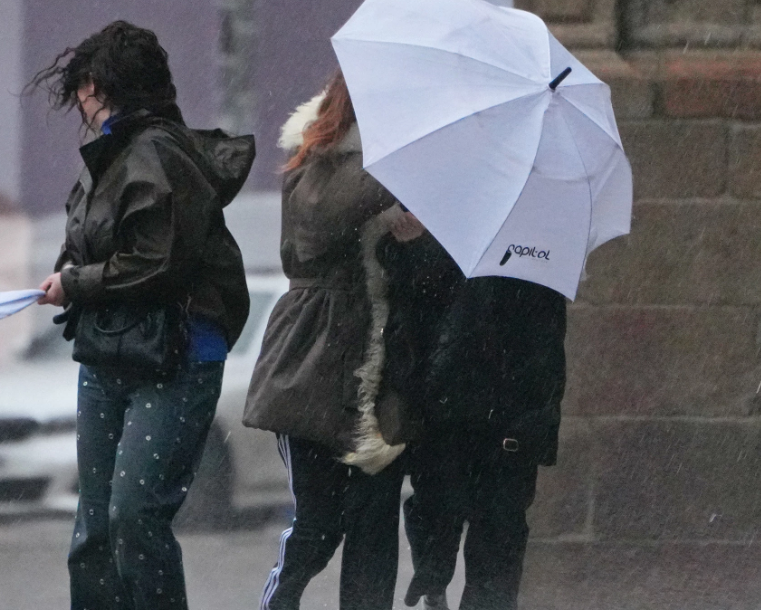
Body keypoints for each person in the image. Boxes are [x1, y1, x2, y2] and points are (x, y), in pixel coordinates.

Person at [32, 20, 254, 610]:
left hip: (176, 356)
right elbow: (91, 244)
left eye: (84, 85)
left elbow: (159, 263)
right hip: (111, 353)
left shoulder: (157, 152)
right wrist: (68, 271)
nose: (79, 100)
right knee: (95, 532)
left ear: (103, 85)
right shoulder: (106, 156)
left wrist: (75, 283)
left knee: (133, 518)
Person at [242, 71, 424, 610]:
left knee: (373, 529)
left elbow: (425, 280)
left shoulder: (404, 171)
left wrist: (408, 244)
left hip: (383, 367)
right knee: (319, 524)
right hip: (315, 359)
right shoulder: (314, 154)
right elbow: (321, 221)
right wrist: (399, 170)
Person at [402, 276, 567, 610]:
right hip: (455, 413)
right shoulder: (452, 255)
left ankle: (444, 583)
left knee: (498, 534)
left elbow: (546, 355)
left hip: (504, 419)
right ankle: (434, 580)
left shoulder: (538, 272)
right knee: (438, 511)